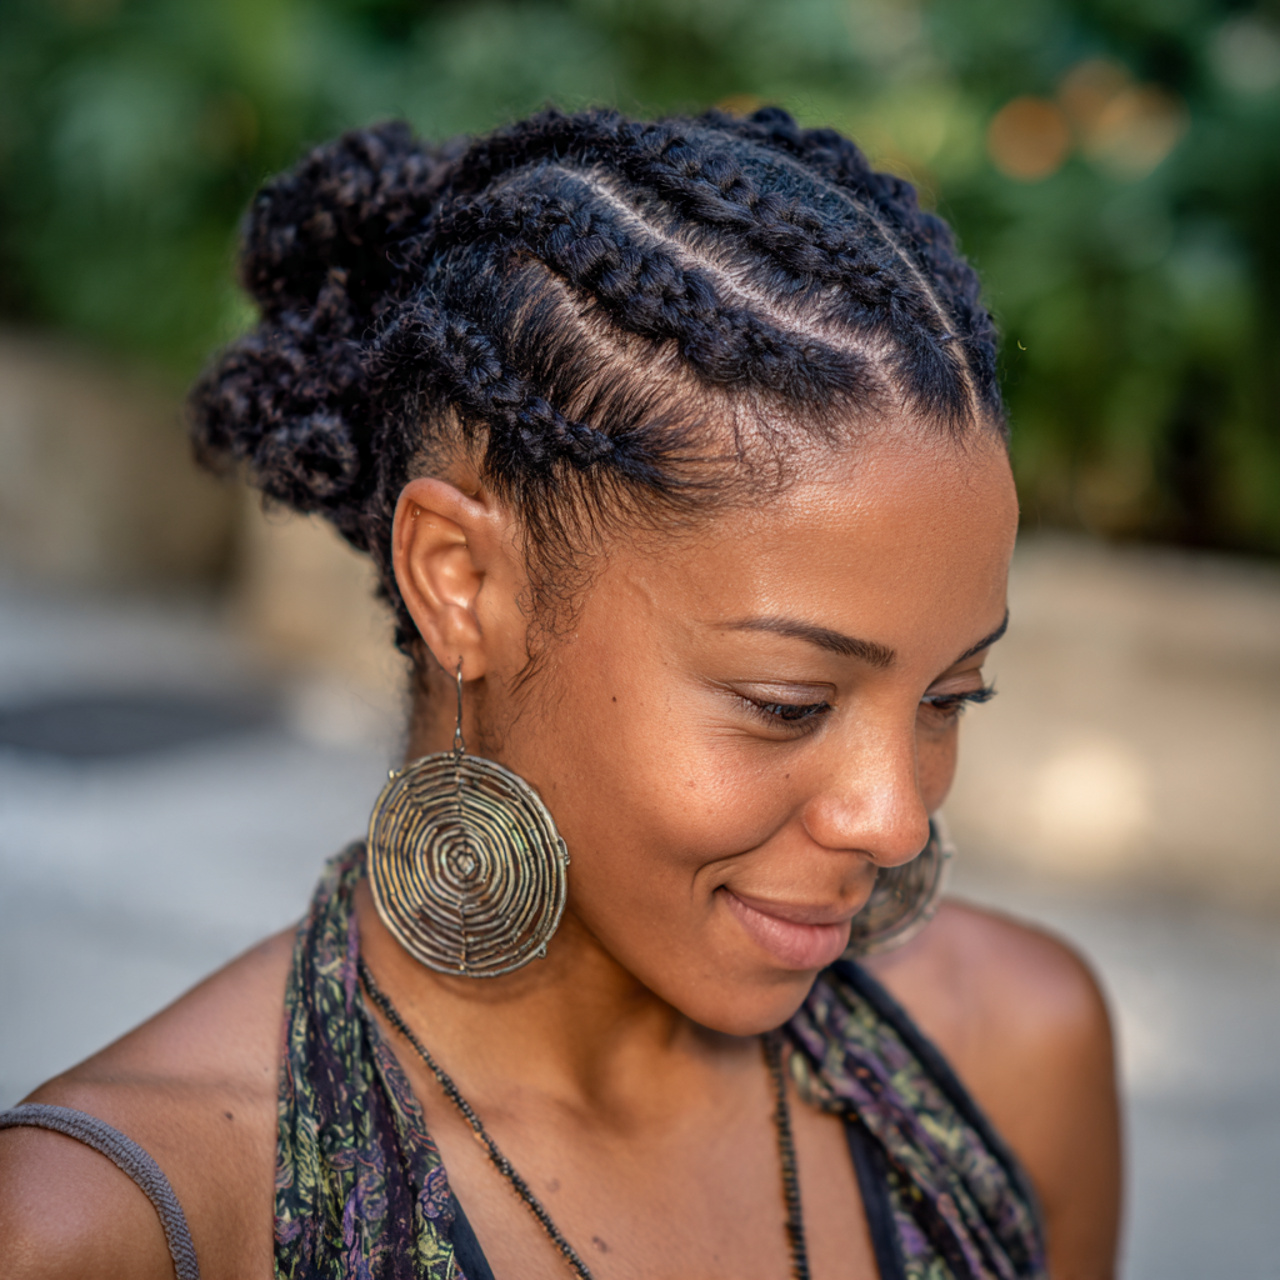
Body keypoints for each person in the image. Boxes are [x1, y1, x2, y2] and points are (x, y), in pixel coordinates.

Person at [0, 106, 1120, 1280]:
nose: (895, 818)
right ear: (462, 580)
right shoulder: (126, 1223)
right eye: (786, 701)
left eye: (950, 697)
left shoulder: (1013, 1059)